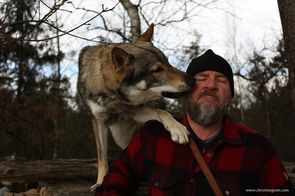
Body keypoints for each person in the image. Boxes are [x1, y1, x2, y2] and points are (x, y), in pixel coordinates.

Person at [95, 49, 294, 195]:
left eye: (222, 80)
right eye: (202, 78)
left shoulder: (257, 149)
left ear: (230, 95)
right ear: (186, 91)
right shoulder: (153, 138)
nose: (211, 85)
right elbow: (113, 184)